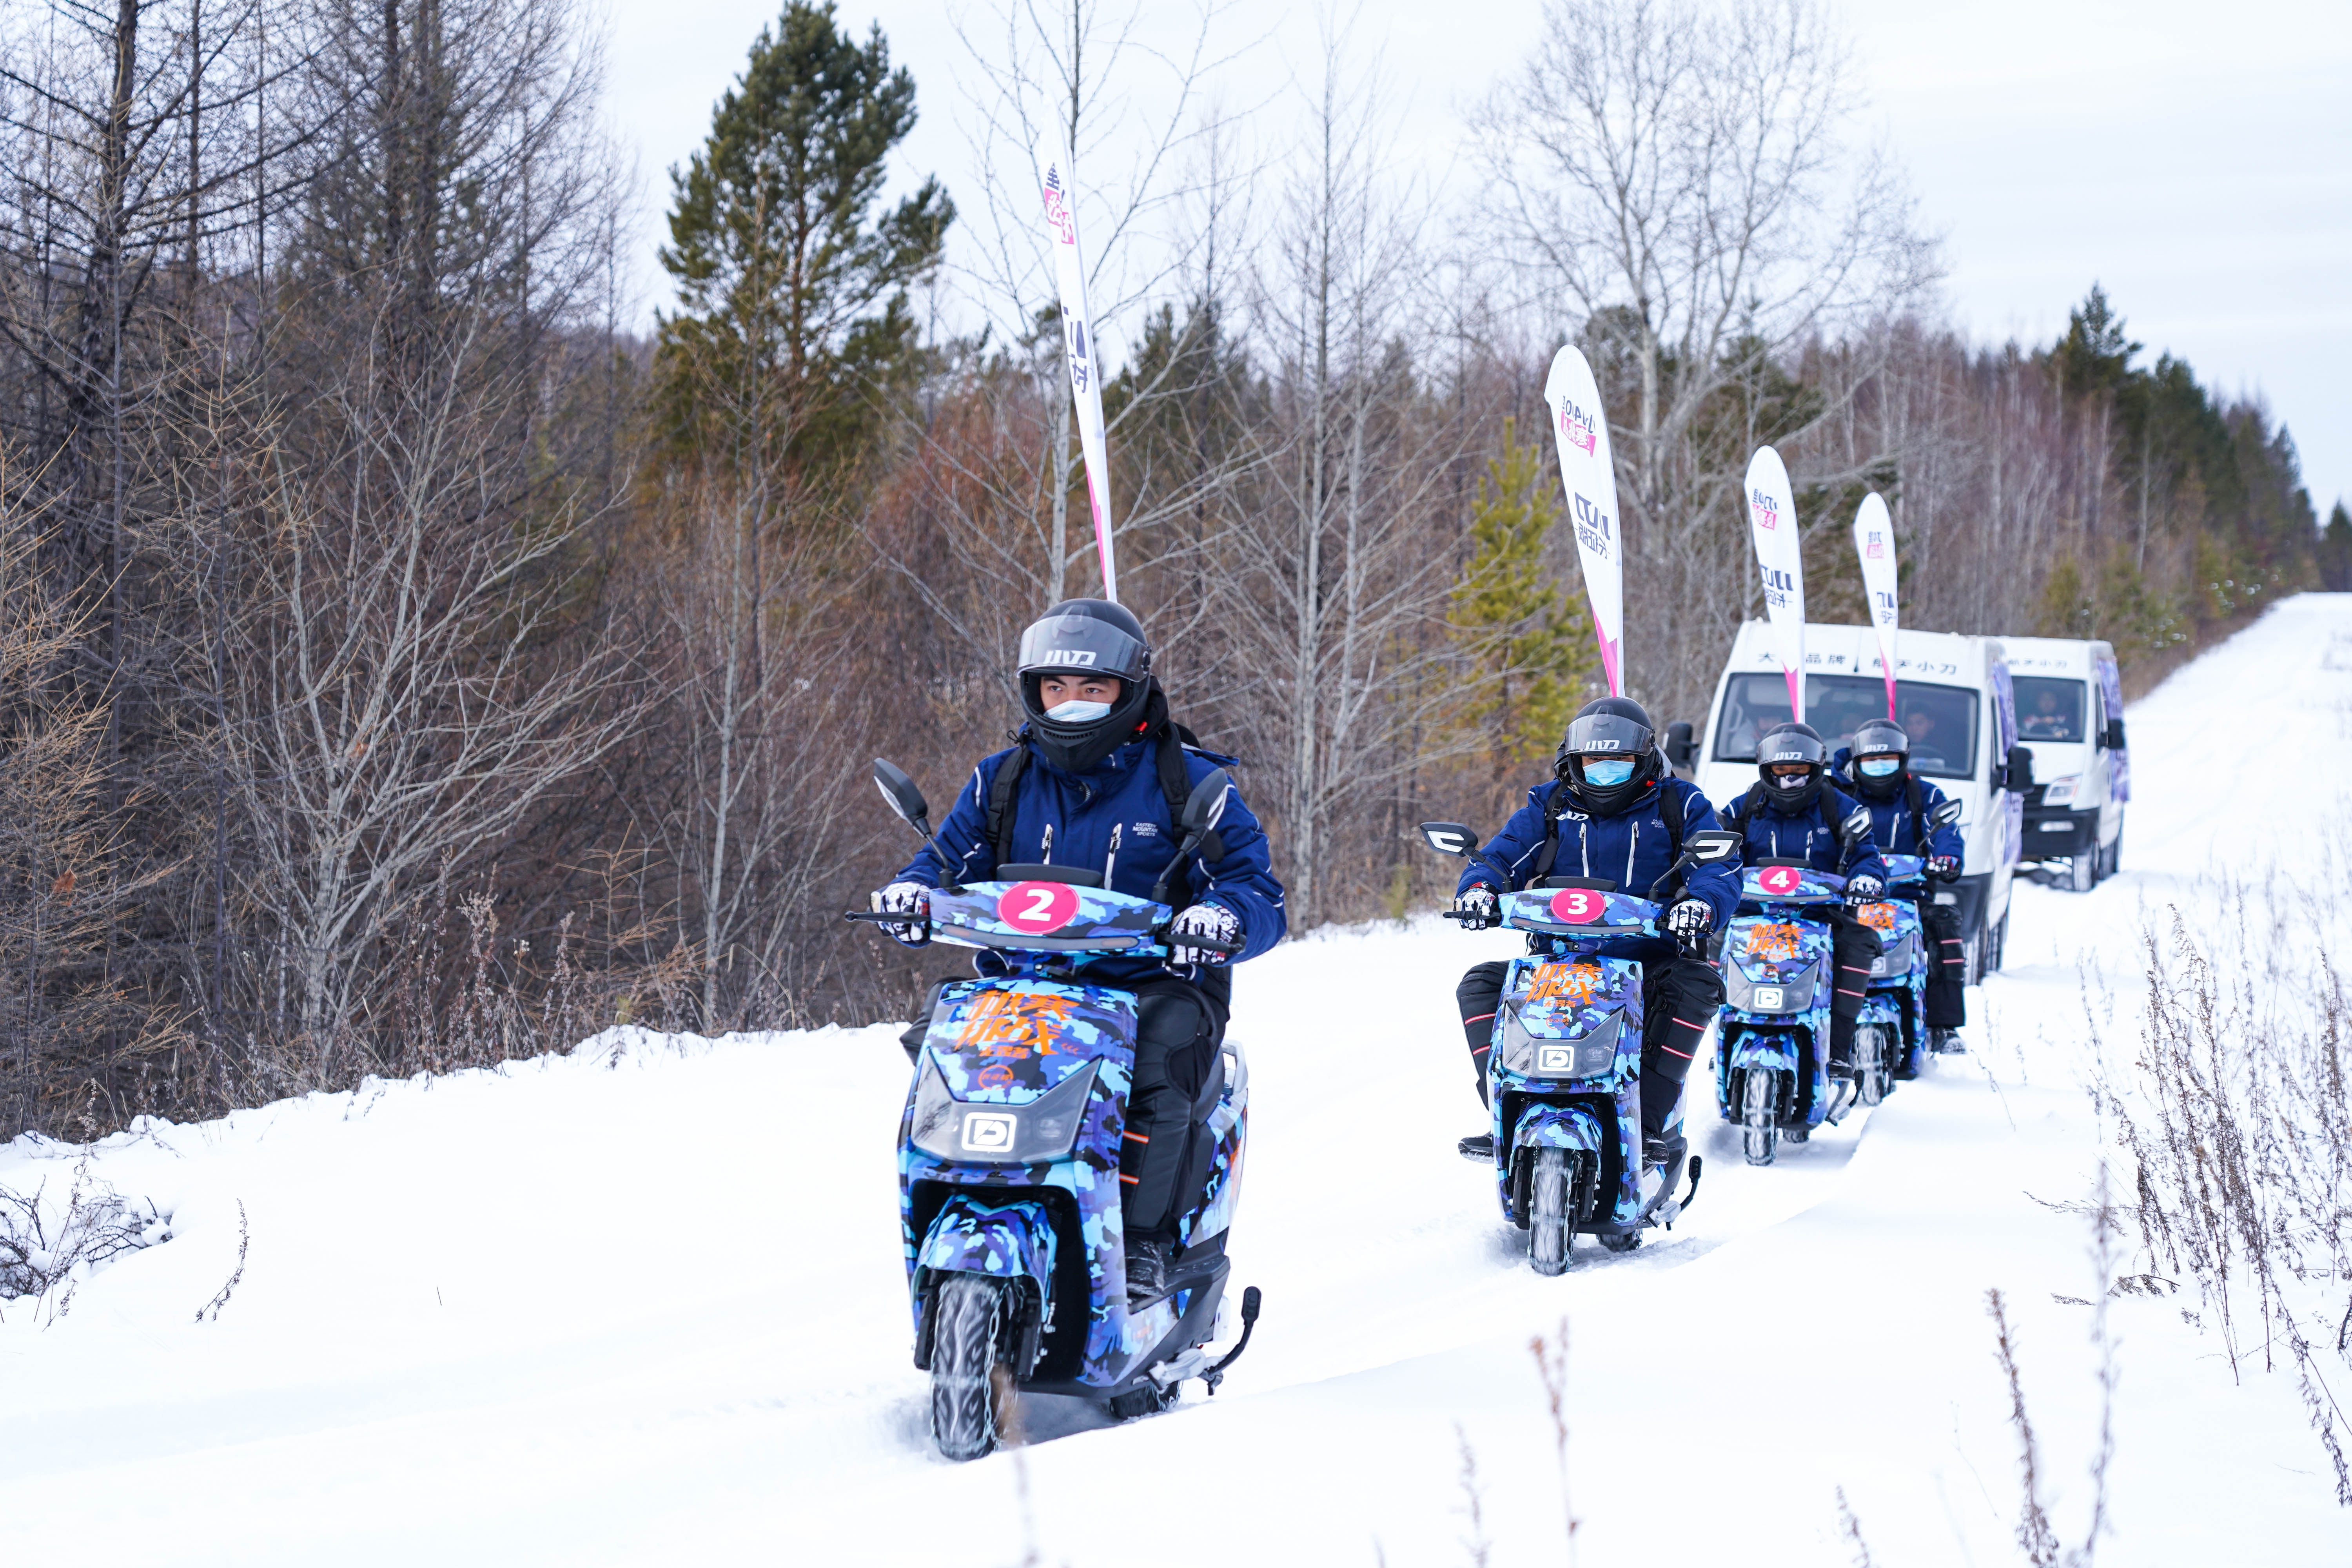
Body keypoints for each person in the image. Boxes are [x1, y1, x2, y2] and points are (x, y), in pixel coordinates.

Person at [867, 599, 1287, 1303]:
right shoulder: (1002, 780)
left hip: (1149, 985)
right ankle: (956, 1210)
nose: (1071, 705)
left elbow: (1256, 891)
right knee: (941, 1032)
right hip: (1026, 987)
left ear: (1130, 690)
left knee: (1162, 1055)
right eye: (1055, 688)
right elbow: (942, 862)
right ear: (1033, 691)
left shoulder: (1189, 783)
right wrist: (911, 895)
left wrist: (1218, 918)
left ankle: (1146, 1242)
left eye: (1093, 690)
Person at [1448, 697, 1742, 1168]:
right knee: (1482, 983)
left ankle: (1647, 1120)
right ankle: (1504, 1111)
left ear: (1643, 758)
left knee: (1698, 984)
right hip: (1557, 961)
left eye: (1619, 761)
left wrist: (1700, 904)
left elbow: (1719, 867)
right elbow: (1503, 855)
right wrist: (1479, 889)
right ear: (1573, 760)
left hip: (1650, 961)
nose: (1604, 771)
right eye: (1593, 761)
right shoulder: (1550, 804)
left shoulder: (1678, 802)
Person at [1717, 721, 1887, 1105]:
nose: (1790, 780)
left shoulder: (1841, 807)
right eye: (1780, 772)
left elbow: (1867, 855)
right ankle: (1726, 1030)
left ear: (1818, 769)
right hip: (1752, 917)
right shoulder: (1745, 806)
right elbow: (1718, 846)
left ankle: (1839, 1051)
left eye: (1800, 772)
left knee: (1859, 945)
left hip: (1821, 916)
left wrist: (1866, 880)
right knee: (1704, 941)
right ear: (1766, 770)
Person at [1835, 719, 1968, 1059]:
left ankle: (1943, 1025)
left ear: (1904, 760)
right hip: (1851, 900)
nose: (1880, 770)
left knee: (1945, 924)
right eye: (1871, 762)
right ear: (1856, 762)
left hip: (1910, 898)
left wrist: (1948, 858)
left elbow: (1946, 831)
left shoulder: (1924, 795)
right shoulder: (1839, 795)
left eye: (1888, 761)